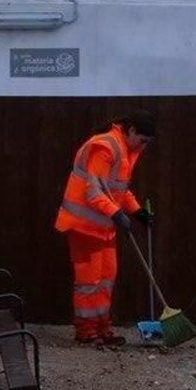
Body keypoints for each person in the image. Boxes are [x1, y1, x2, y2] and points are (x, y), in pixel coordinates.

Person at [54, 111, 155, 347]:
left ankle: (103, 329)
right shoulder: (106, 148)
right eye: (143, 140)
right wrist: (116, 213)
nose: (144, 146)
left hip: (102, 227)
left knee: (106, 278)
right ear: (130, 131)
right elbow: (94, 191)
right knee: (89, 281)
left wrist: (137, 211)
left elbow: (117, 190)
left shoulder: (125, 151)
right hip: (83, 227)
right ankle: (86, 331)